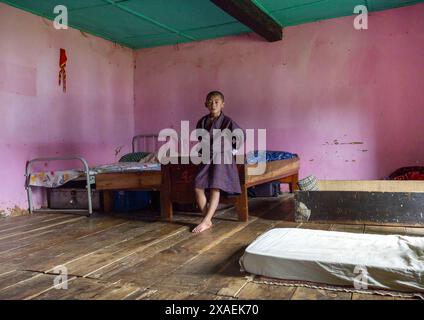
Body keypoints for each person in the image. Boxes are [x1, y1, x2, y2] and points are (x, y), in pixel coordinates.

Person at [192, 91, 243, 233]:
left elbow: (239, 136)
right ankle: (207, 219)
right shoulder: (202, 122)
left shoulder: (228, 122)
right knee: (198, 186)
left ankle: (206, 220)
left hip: (222, 157)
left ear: (222, 104)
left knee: (215, 186)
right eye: (210, 101)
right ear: (205, 104)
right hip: (208, 157)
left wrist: (232, 151)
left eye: (216, 102)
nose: (213, 104)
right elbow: (201, 139)